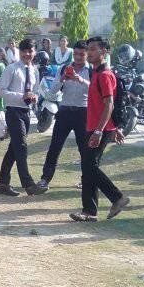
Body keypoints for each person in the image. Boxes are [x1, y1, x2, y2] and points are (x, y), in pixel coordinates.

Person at [71, 37, 130, 222]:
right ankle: (89, 211)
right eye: (88, 49)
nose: (89, 53)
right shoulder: (96, 73)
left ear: (105, 52)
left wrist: (99, 131)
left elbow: (110, 104)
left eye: (93, 49)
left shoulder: (105, 75)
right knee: (88, 168)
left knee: (89, 166)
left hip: (99, 129)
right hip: (96, 127)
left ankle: (117, 197)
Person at [0, 38, 46, 196]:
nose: (27, 54)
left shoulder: (34, 70)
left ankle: (3, 183)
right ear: (19, 52)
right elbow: (1, 91)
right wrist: (21, 96)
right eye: (24, 51)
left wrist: (35, 97)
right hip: (13, 111)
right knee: (21, 147)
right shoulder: (11, 68)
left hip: (26, 112)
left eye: (30, 51)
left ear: (34, 52)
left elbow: (36, 91)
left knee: (14, 148)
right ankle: (28, 184)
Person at [38, 40, 91, 189]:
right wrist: (62, 79)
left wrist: (80, 79)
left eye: (82, 54)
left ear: (87, 55)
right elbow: (52, 91)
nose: (78, 57)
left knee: (84, 150)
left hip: (83, 112)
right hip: (65, 111)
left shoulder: (91, 70)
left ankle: (86, 180)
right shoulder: (63, 68)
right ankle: (45, 180)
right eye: (75, 54)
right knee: (55, 147)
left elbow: (94, 90)